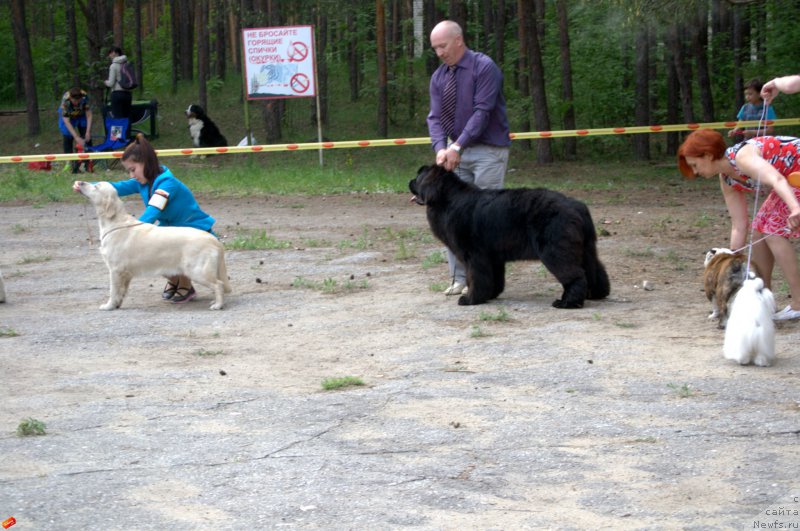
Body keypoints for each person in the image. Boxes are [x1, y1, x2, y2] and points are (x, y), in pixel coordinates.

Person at [72, 133, 217, 304]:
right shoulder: (142, 181)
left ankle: (184, 284)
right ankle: (176, 280)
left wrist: (133, 233)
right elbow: (115, 187)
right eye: (129, 171)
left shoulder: (167, 184)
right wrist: (87, 186)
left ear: (146, 163)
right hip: (173, 231)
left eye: (133, 169)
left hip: (195, 232)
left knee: (149, 246)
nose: (131, 175)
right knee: (150, 249)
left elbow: (152, 212)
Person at [677, 129, 800, 320]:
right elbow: (739, 225)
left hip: (795, 173)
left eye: (695, 165)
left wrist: (794, 208)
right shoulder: (726, 179)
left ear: (708, 155)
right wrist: (732, 261)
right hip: (788, 180)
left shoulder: (743, 158)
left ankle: (798, 303)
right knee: (758, 230)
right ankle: (763, 299)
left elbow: (776, 179)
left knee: (773, 230)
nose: (695, 171)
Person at [426, 20, 511, 296]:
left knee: (486, 218)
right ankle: (460, 279)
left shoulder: (484, 67)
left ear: (459, 40)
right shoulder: (439, 77)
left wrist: (458, 146)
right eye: (435, 48)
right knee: (451, 215)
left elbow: (482, 112)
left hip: (487, 150)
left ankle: (486, 282)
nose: (439, 52)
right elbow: (435, 118)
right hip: (454, 152)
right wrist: (441, 148)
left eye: (443, 45)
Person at [58, 87, 93, 174]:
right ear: (70, 98)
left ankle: (87, 163)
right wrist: (76, 137)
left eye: (78, 101)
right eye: (74, 101)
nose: (76, 103)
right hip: (69, 116)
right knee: (67, 134)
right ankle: (69, 162)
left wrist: (88, 132)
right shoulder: (66, 102)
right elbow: (67, 121)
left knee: (86, 136)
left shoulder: (85, 98)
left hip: (81, 114)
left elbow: (89, 116)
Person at [105, 46, 133, 119]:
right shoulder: (127, 64)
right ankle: (127, 130)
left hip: (117, 94)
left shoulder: (113, 66)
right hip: (128, 94)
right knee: (127, 117)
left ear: (116, 53)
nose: (110, 55)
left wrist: (105, 82)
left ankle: (119, 131)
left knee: (117, 118)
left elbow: (111, 83)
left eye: (111, 52)